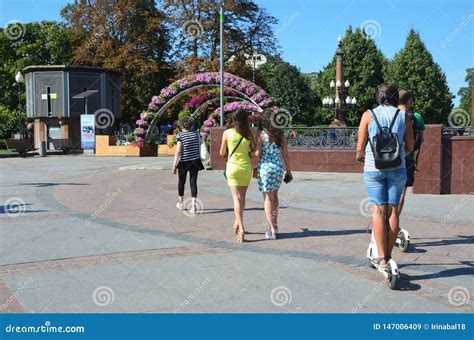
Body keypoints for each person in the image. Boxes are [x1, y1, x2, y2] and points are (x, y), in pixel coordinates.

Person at [356, 83, 414, 270]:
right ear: (395, 97)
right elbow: (410, 146)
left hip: (374, 168)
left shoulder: (368, 115)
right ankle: (389, 255)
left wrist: (361, 156)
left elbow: (359, 148)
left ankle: (381, 258)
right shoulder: (404, 116)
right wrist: (397, 157)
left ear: (378, 96)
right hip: (397, 168)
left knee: (378, 211)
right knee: (393, 211)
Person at [255, 111, 292, 240]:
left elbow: (257, 154)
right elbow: (286, 155)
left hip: (265, 169)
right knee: (275, 197)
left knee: (267, 199)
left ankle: (271, 230)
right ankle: (275, 226)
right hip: (278, 168)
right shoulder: (280, 135)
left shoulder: (261, 135)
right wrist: (289, 171)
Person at [219, 109, 255, 243]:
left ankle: (241, 227)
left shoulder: (227, 133)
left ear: (233, 120)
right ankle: (237, 222)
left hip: (232, 167)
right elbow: (253, 151)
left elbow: (222, 152)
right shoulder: (249, 133)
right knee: (242, 198)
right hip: (246, 167)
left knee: (235, 198)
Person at [397, 90, 425, 215]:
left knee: (387, 192)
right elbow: (420, 141)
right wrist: (415, 159)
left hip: (389, 159)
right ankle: (395, 221)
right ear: (409, 101)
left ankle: (384, 223)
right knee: (402, 192)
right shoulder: (416, 117)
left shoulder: (391, 114)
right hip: (408, 159)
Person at [172, 116, 204, 214]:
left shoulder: (180, 135)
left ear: (182, 125)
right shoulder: (197, 134)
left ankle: (181, 203)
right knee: (193, 182)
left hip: (184, 162)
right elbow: (201, 145)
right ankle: (193, 207)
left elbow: (178, 151)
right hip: (195, 161)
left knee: (181, 182)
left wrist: (174, 165)